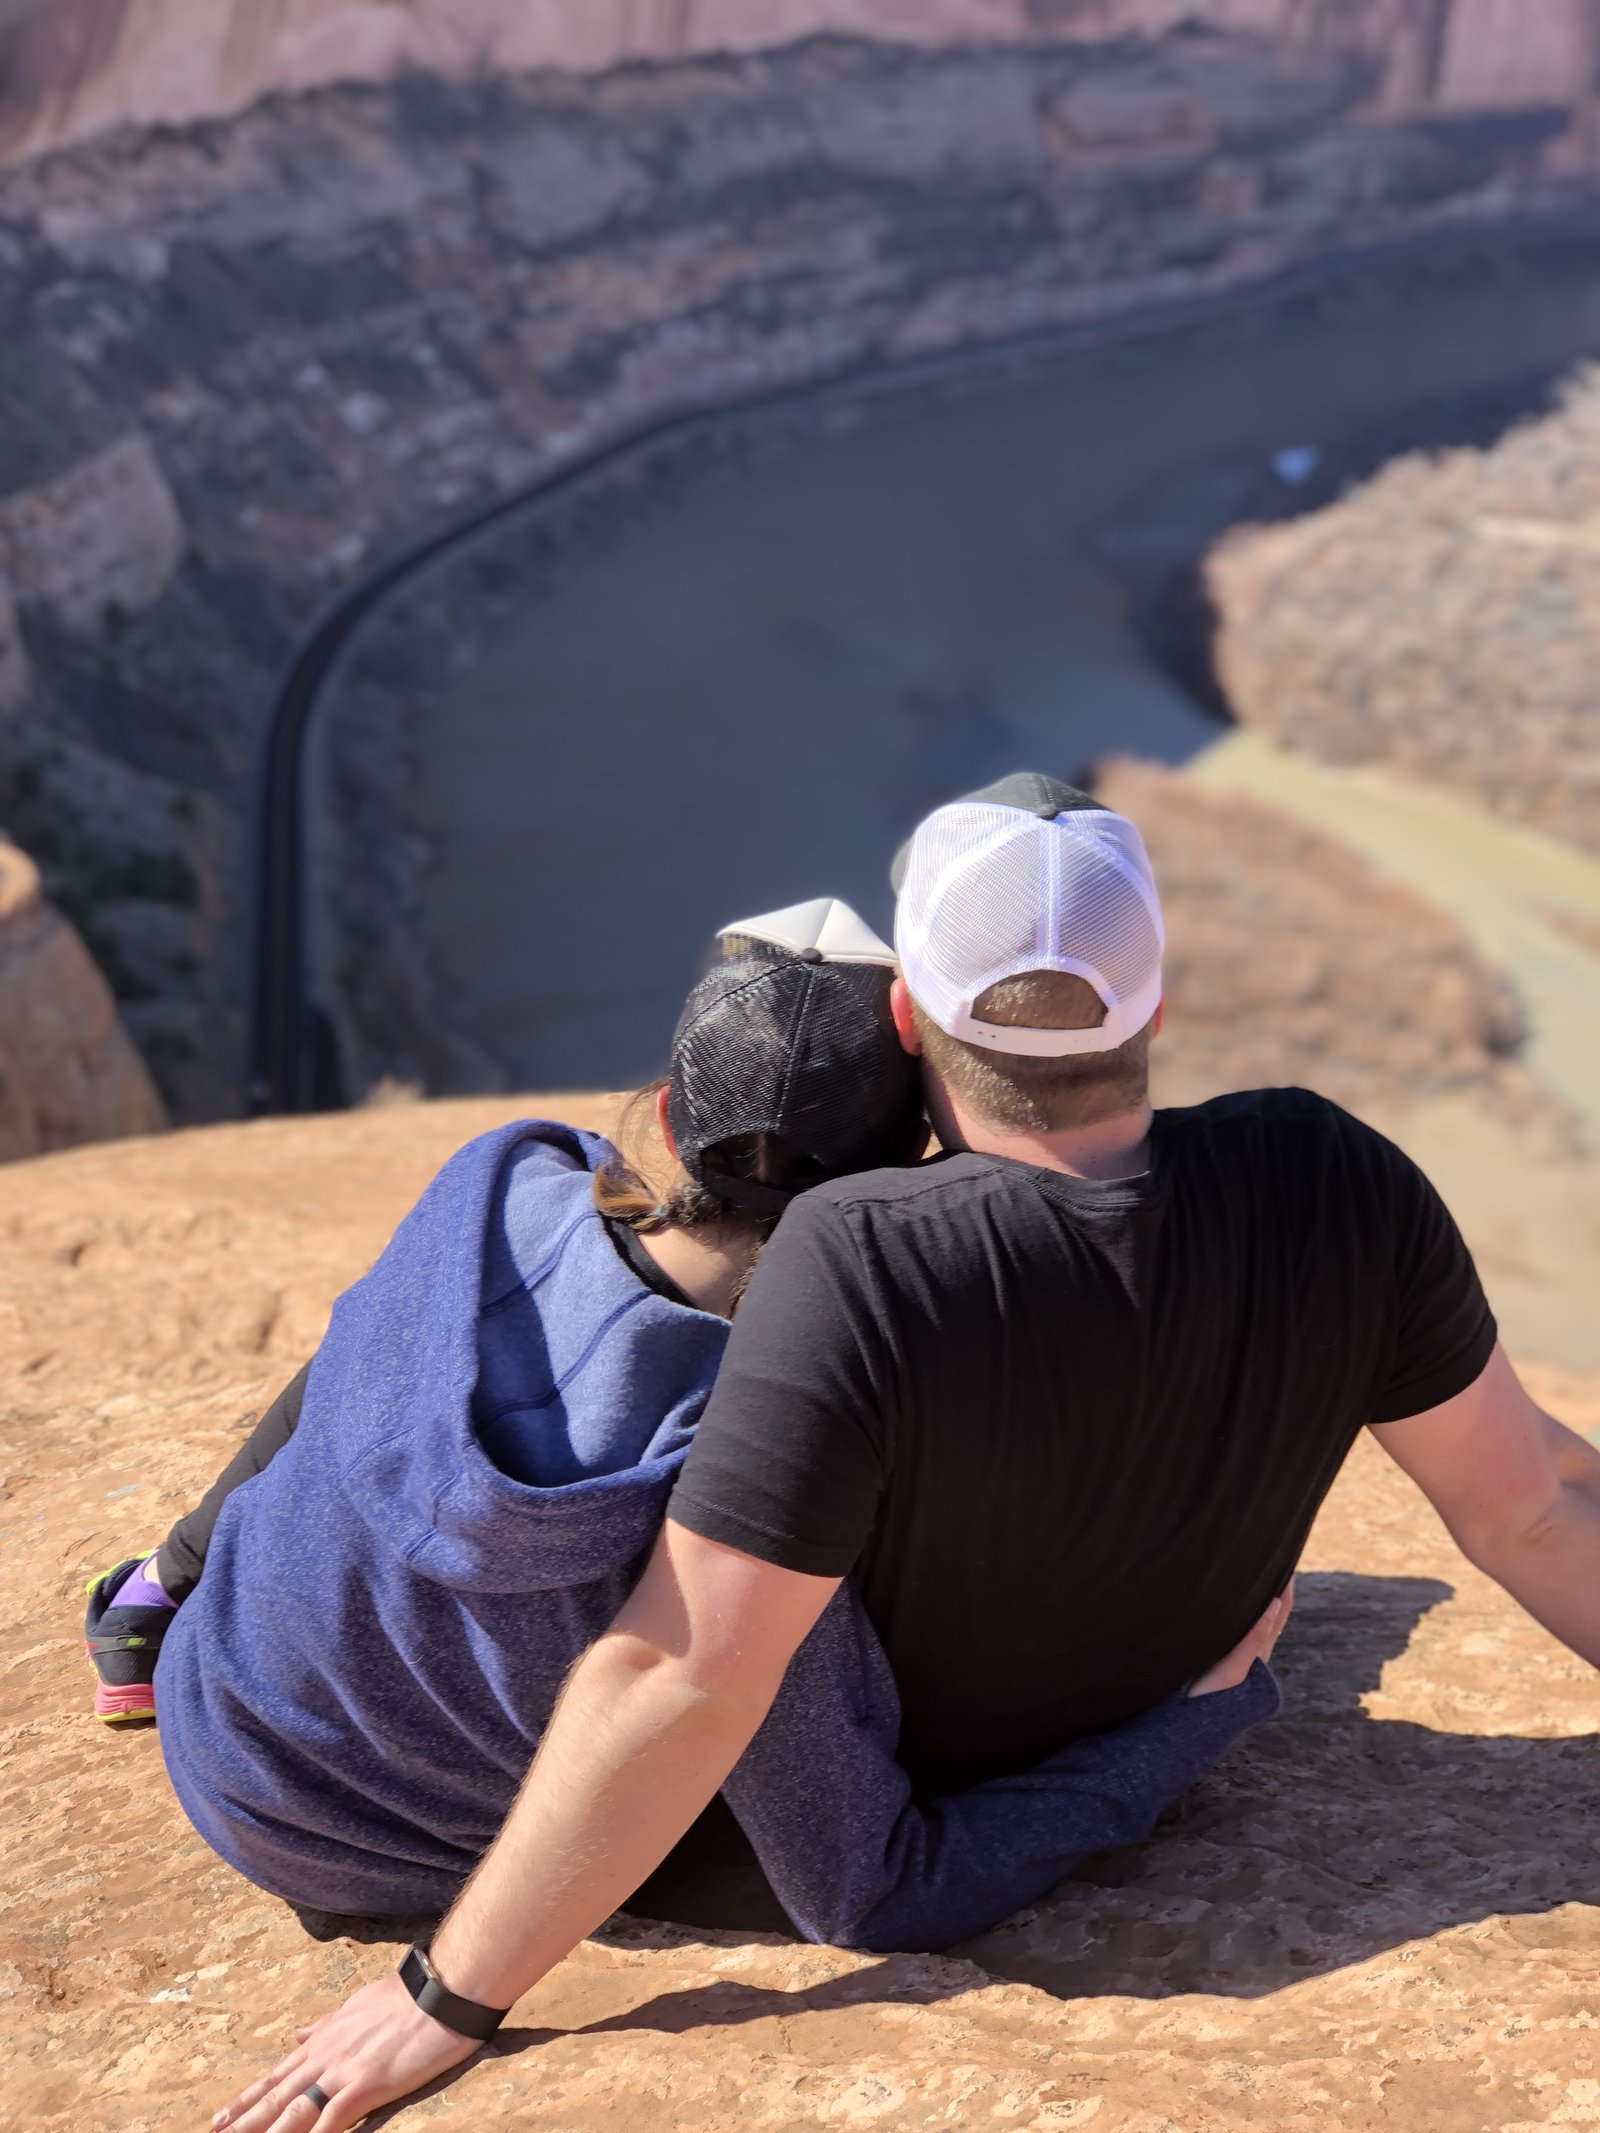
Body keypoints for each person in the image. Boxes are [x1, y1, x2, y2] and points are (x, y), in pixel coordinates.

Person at [211, 772, 1600, 2133]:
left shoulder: (859, 1261)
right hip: (1022, 1738)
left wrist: (449, 1998)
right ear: (1159, 999)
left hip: (869, 1803)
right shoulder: (1339, 1175)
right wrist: (1199, 1703)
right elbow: (1532, 1508)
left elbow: (687, 1669)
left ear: (907, 1018)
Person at [104, 901, 1282, 1967]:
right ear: (918, 1170)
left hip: (218, 1722)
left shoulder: (498, 1185)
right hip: (390, 1855)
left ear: (671, 1113)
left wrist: (172, 1575)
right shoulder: (769, 1471)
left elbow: (339, 1367)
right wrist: (1188, 1721)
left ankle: (162, 1596)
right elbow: (870, 1890)